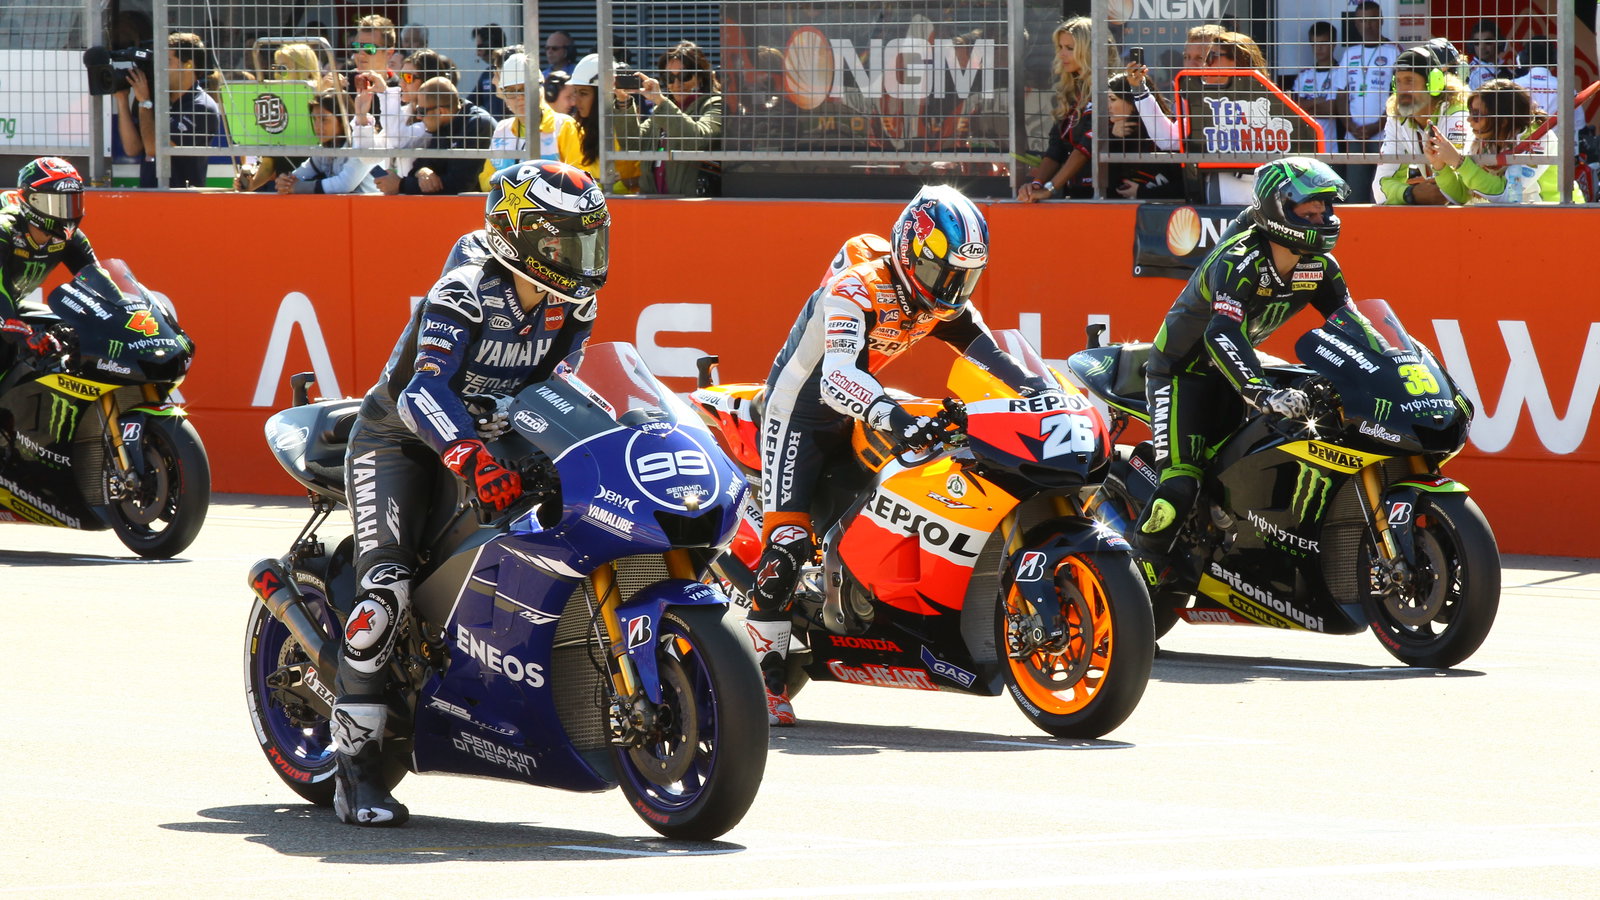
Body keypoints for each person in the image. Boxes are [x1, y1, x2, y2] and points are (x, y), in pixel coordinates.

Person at [331, 159, 609, 826]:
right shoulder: (465, 290)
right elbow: (424, 390)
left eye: (593, 239)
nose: (586, 256)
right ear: (525, 239)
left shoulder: (576, 303)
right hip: (400, 441)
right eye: (571, 240)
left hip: (495, 440)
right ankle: (355, 774)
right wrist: (466, 454)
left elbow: (558, 387)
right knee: (384, 594)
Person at [744, 185, 1049, 726]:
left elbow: (992, 357)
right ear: (911, 250)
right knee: (789, 541)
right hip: (799, 412)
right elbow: (838, 378)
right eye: (943, 274)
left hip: (862, 408)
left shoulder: (941, 298)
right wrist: (890, 412)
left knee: (899, 488)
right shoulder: (854, 290)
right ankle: (761, 676)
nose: (951, 289)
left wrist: (1040, 391)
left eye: (964, 278)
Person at [1130, 157, 1352, 564]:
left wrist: (1394, 363)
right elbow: (1221, 332)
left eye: (1325, 209)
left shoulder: (1320, 266)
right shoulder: (1239, 258)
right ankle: (1134, 575)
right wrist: (1259, 393)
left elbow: (1352, 325)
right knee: (1179, 488)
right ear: (1279, 208)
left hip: (1237, 369)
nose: (1322, 217)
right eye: (1309, 210)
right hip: (1182, 374)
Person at [0, 158, 90, 370]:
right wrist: (11, 325)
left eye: (72, 202)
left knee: (63, 327)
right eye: (57, 204)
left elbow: (96, 278)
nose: (66, 214)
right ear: (31, 201)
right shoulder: (4, 229)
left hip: (10, 305)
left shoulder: (70, 238)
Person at [1425, 79, 1577, 203]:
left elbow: (1510, 196)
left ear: (1503, 120)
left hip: (1559, 219)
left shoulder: (1539, 138)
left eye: (1477, 114)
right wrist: (1440, 166)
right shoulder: (1479, 138)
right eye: (1471, 112)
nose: (1469, 120)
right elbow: (1461, 197)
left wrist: (1459, 162)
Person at [613, 41, 724, 196]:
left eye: (684, 75)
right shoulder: (667, 106)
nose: (677, 84)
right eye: (669, 77)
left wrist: (660, 101)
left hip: (692, 206)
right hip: (655, 203)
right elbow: (633, 142)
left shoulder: (715, 103)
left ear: (700, 76)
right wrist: (623, 102)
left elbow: (698, 139)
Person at [116, 32, 224, 188]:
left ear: (189, 65)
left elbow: (154, 150)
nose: (160, 68)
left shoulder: (201, 106)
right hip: (148, 196)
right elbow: (132, 148)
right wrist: (122, 99)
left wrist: (145, 102)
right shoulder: (158, 100)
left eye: (167, 61)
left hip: (181, 200)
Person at [1372, 43, 1469, 205]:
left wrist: (1406, 193)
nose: (1402, 90)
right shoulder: (1397, 116)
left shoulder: (1457, 113)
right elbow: (1379, 188)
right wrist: (1411, 193)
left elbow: (1459, 191)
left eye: (1409, 81)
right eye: (1399, 82)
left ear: (1434, 83)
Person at [477, 52, 582, 190]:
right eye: (511, 91)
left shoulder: (564, 126)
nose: (519, 97)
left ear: (540, 88)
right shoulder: (502, 129)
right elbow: (486, 179)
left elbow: (578, 176)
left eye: (524, 89)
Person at [1016, 17, 1094, 201]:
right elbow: (1056, 147)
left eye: (1070, 48)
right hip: (1074, 192)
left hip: (1106, 194)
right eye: (1060, 47)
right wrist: (1037, 184)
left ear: (1088, 51)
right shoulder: (1071, 91)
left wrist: (1050, 188)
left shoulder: (1111, 89)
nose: (1061, 54)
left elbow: (1086, 147)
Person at [378, 77, 495, 195]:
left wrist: (401, 185)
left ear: (440, 111)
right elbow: (421, 165)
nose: (418, 117)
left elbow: (460, 185)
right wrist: (423, 171)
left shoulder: (478, 125)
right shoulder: (443, 121)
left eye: (422, 111)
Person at [1334, 1, 1397, 203]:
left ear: (1381, 21)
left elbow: (1399, 96)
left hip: (1384, 134)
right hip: (1354, 136)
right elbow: (1341, 94)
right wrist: (1350, 125)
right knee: (1356, 195)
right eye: (1362, 20)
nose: (1367, 25)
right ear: (1356, 23)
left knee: (1383, 193)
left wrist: (1377, 125)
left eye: (1372, 20)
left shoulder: (1393, 52)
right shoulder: (1349, 54)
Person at [276, 90, 382, 194]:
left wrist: (300, 187)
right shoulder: (325, 148)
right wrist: (285, 182)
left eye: (324, 119)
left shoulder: (361, 143)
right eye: (315, 119)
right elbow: (300, 175)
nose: (317, 126)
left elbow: (345, 184)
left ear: (342, 119)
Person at [568, 53, 643, 193]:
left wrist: (625, 183)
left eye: (583, 93)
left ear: (602, 96)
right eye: (575, 92)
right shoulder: (576, 129)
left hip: (629, 208)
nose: (575, 101)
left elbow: (644, 176)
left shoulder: (622, 129)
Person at [1292, 21, 1341, 153]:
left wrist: (1307, 105)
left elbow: (1333, 109)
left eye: (1323, 43)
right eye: (1314, 43)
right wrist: (1317, 101)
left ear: (1334, 43)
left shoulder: (1342, 73)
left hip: (1332, 150)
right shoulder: (1303, 76)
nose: (1319, 48)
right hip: (1306, 148)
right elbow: (1294, 109)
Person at [470, 24, 507, 118]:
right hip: (495, 131)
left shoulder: (514, 70)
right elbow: (471, 103)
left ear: (490, 44)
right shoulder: (486, 74)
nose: (477, 53)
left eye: (480, 47)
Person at [1466, 19, 1508, 90]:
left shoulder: (1504, 69)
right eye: (1477, 43)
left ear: (1499, 43)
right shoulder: (1476, 73)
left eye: (1488, 42)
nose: (1482, 48)